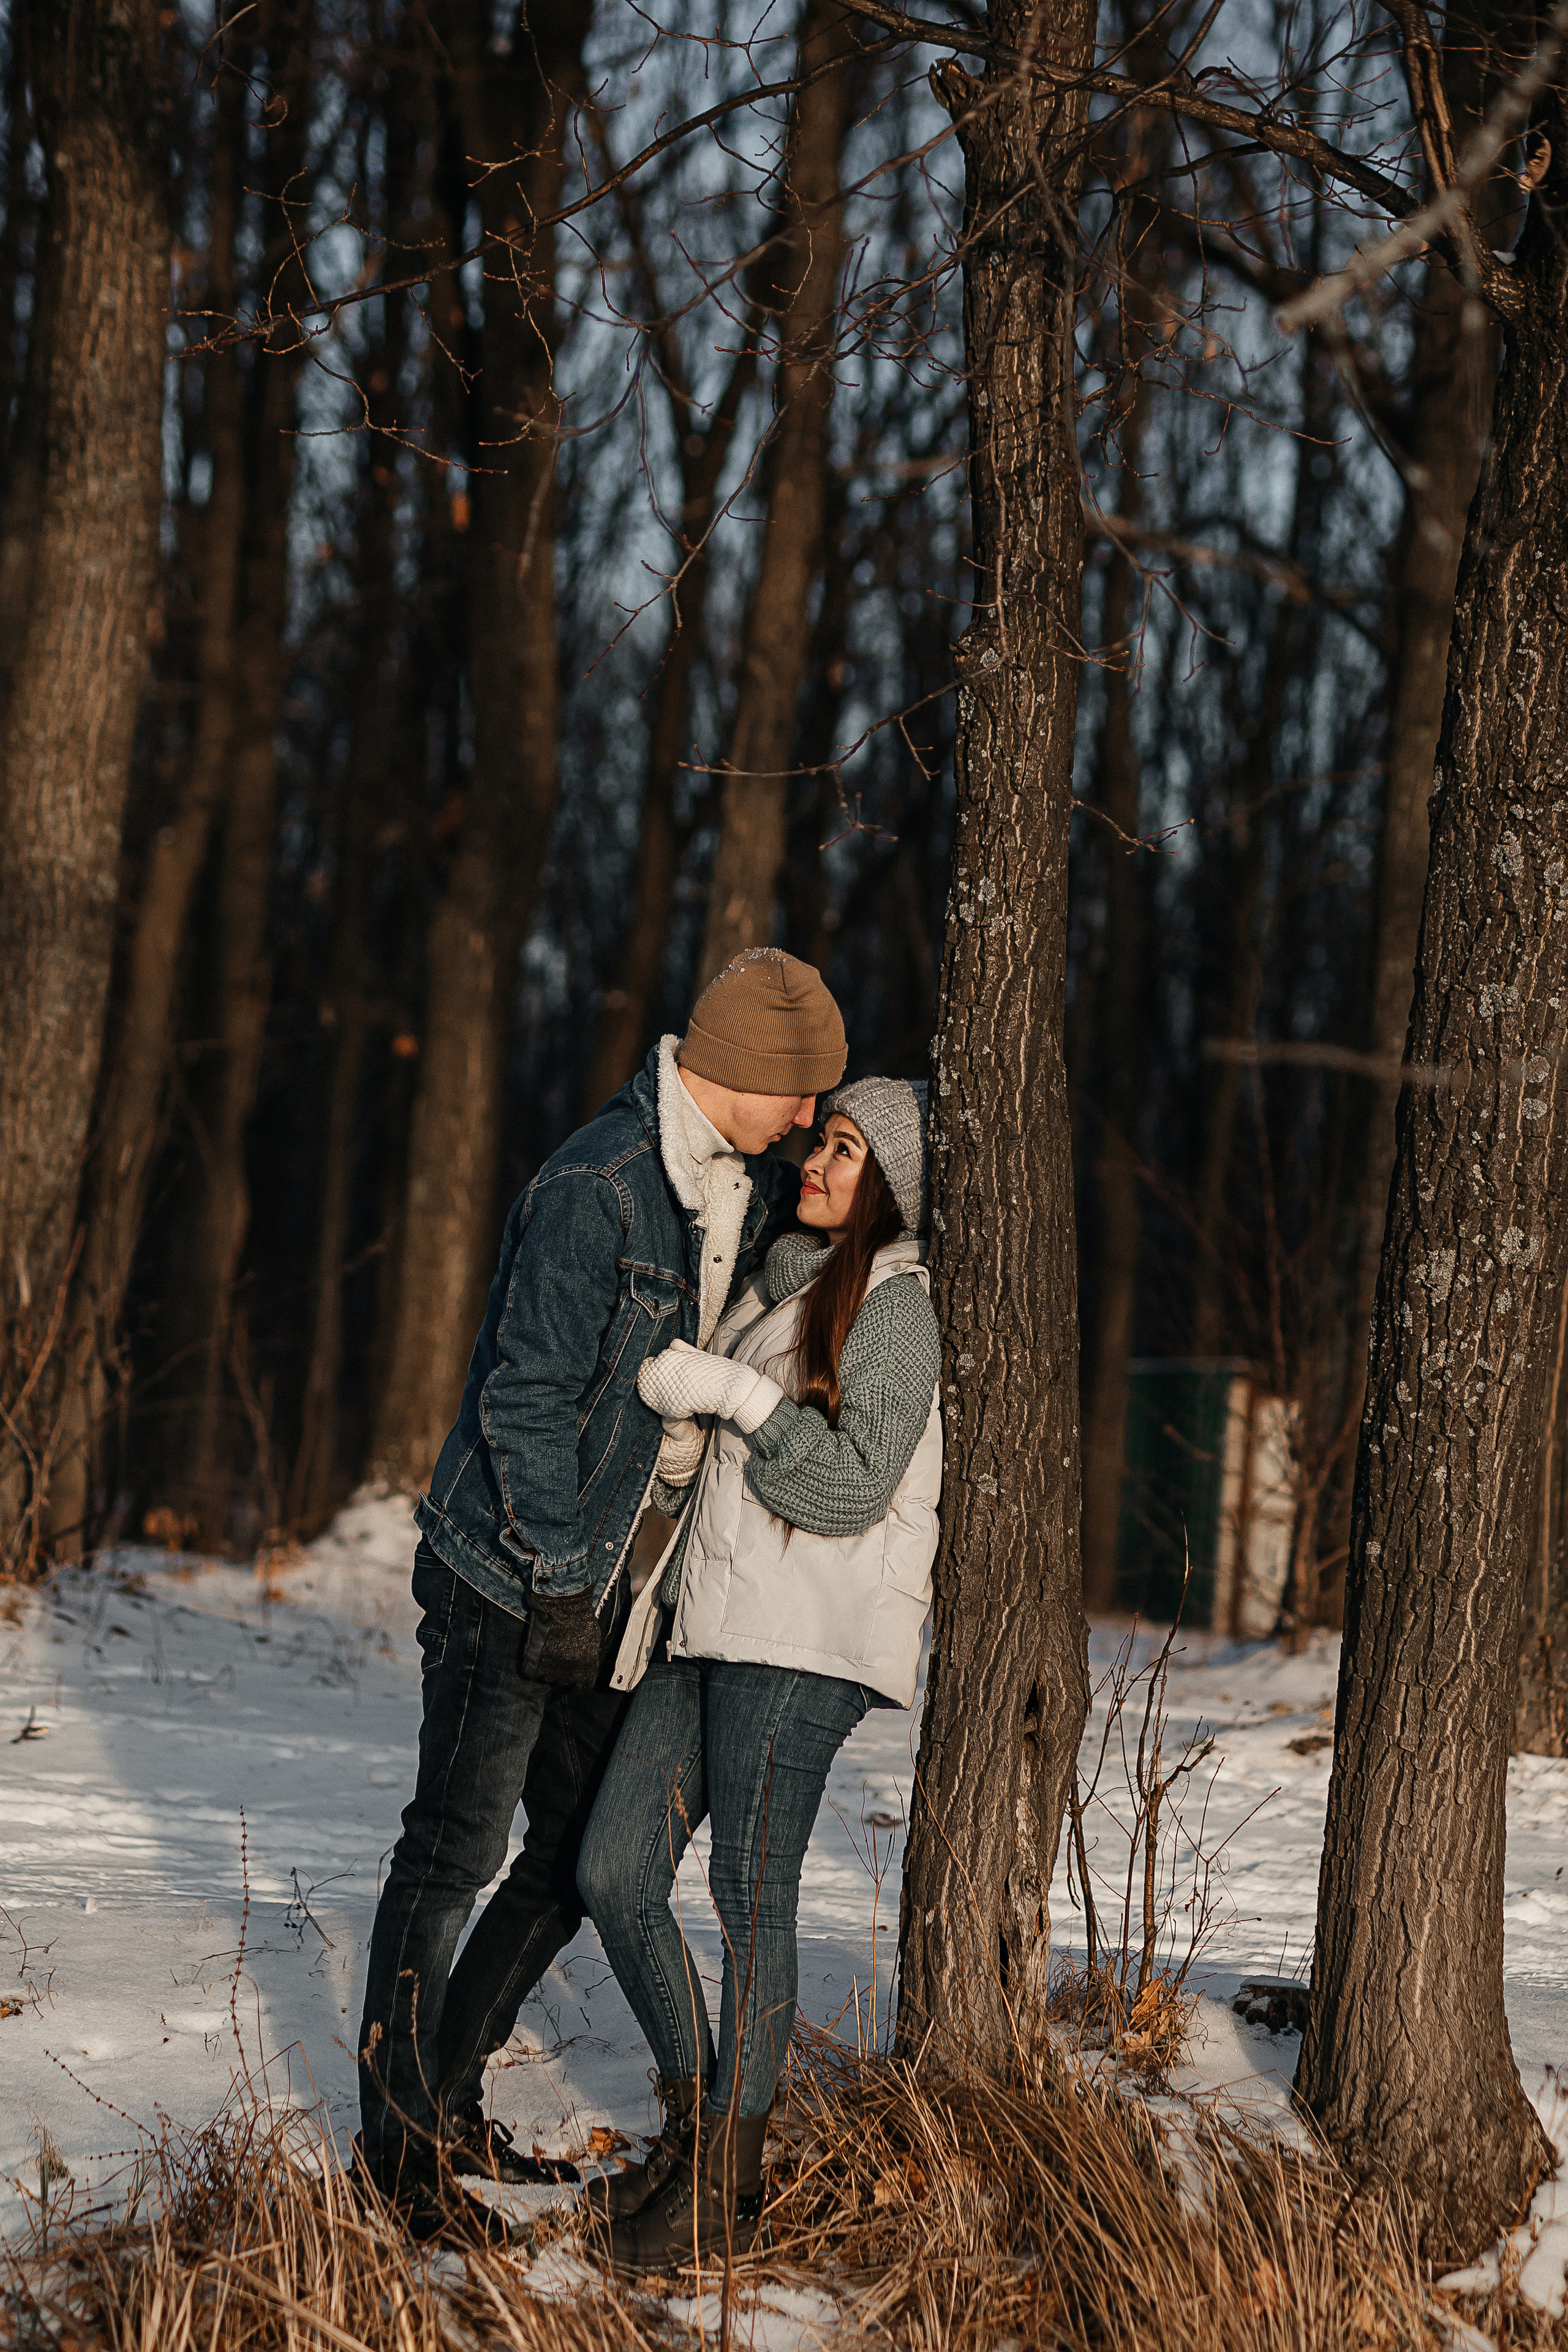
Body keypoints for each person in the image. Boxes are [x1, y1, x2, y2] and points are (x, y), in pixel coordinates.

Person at [354, 951, 846, 2243]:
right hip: (504, 1573)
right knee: (451, 1855)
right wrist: (565, 1585)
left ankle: (445, 2099)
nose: (810, 1118)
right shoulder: (601, 1185)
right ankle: (396, 2161)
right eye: (799, 1092)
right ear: (738, 1070)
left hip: (603, 1593)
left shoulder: (736, 1188)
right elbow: (522, 1400)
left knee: (574, 1858)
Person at [575, 1076, 941, 2271]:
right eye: (820, 1141)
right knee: (613, 1867)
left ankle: (725, 2192)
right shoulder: (777, 1284)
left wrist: (735, 1397)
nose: (815, 1164)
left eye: (846, 1150)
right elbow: (730, 1459)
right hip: (709, 1621)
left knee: (750, 1895)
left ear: (893, 1185)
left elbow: (851, 1483)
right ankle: (695, 2133)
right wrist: (685, 1449)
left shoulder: (897, 1305)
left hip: (800, 1642)